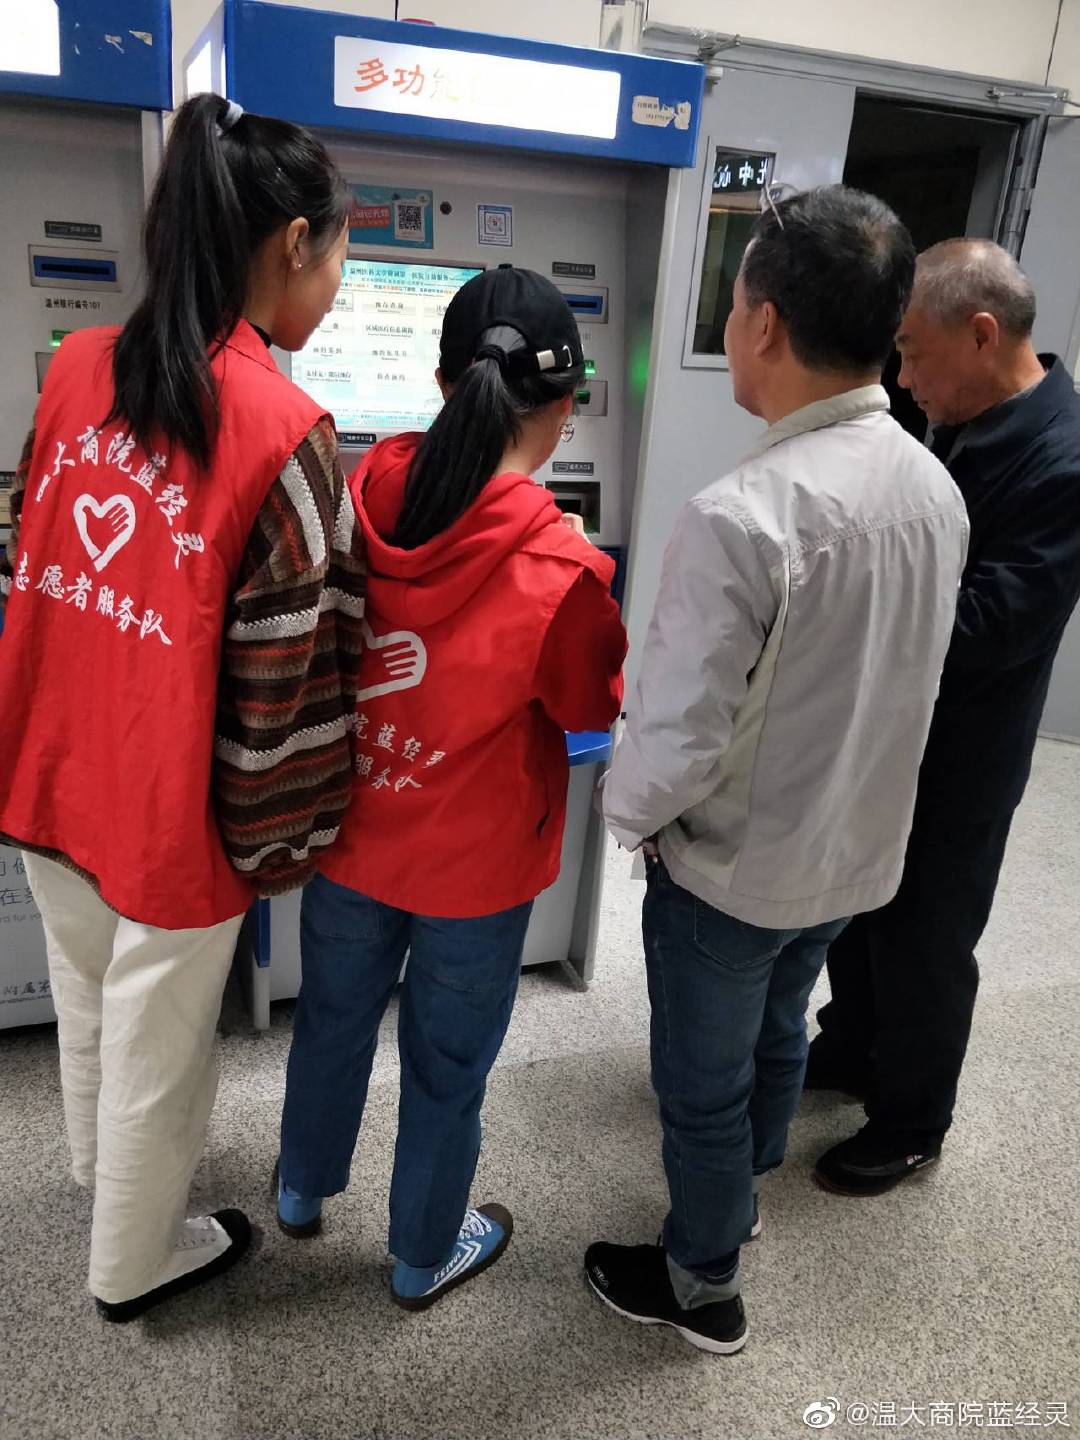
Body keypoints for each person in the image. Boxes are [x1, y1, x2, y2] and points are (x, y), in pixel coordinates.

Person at [584, 186, 969, 1355]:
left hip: (730, 871)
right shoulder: (934, 489)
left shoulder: (742, 514)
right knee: (781, 1026)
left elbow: (677, 736)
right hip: (852, 858)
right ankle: (743, 1191)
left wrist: (623, 813)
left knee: (699, 1080)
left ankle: (704, 1284)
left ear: (762, 322)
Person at [0, 94, 365, 1321]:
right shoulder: (287, 429)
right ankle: (132, 1264)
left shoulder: (78, 367)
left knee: (89, 997)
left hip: (50, 768)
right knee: (160, 1049)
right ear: (295, 241)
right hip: (171, 818)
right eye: (340, 255)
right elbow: (282, 685)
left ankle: (100, 1178)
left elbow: (32, 551)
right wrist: (276, 845)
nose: (337, 288)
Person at [276, 266, 627, 1311]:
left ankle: (299, 1189)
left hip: (350, 834)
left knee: (331, 1019)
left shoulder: (359, 493)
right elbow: (587, 707)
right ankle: (421, 1253)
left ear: (442, 384)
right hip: (475, 873)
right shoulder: (562, 569)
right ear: (567, 405)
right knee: (447, 1063)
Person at [809, 240, 1080, 1193]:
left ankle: (913, 1120)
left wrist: (848, 607)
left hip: (964, 750)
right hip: (891, 728)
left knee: (927, 933)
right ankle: (851, 1046)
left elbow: (991, 626)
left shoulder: (1062, 459)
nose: (903, 378)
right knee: (858, 903)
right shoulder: (956, 418)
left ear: (983, 334)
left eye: (915, 355)